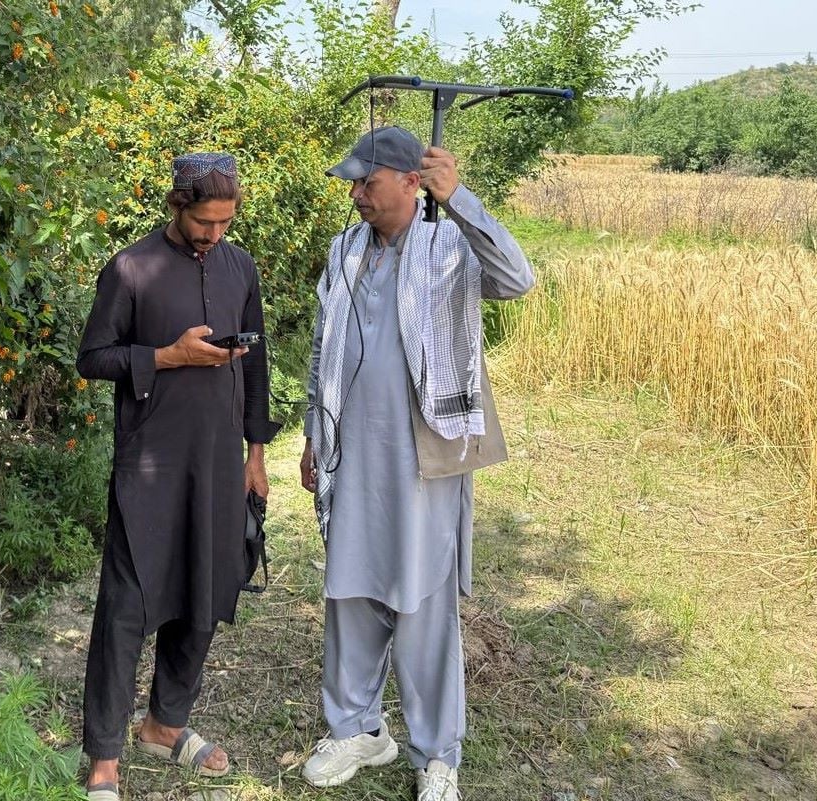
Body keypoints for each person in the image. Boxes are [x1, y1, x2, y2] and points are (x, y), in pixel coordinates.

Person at [298, 126, 535, 801]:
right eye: (351, 182)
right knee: (349, 589)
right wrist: (314, 434)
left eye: (365, 183)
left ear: (410, 181)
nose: (354, 195)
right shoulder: (346, 249)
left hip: (424, 456)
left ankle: (437, 754)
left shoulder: (448, 245)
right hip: (352, 451)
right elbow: (323, 346)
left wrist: (458, 198)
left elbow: (517, 278)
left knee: (424, 602)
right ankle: (357, 729)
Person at [77, 152, 280, 801]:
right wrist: (167, 355)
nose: (213, 234)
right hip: (149, 464)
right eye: (204, 221)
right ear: (176, 204)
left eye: (224, 223)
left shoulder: (238, 264)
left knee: (202, 593)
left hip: (219, 461)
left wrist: (255, 452)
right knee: (126, 607)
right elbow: (93, 357)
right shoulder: (131, 268)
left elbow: (255, 363)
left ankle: (165, 724)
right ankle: (103, 757)